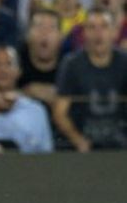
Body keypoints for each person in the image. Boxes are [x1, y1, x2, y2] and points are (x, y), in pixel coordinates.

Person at [53, 8, 127, 151]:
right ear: (84, 33)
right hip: (80, 145)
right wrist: (79, 140)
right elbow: (60, 112)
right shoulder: (71, 64)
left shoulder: (125, 63)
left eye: (104, 27)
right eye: (92, 27)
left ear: (114, 32)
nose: (98, 33)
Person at [0, 45, 54, 153]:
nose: (3, 70)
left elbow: (46, 154)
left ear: (19, 71)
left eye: (9, 64)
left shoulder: (36, 111)